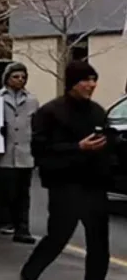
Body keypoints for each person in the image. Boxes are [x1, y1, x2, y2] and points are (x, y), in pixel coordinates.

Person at [21, 61, 112, 280]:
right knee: (58, 237)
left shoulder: (97, 111)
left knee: (99, 242)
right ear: (72, 83)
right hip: (64, 184)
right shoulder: (50, 112)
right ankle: (29, 274)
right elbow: (40, 150)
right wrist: (78, 148)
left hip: (94, 184)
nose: (91, 85)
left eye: (93, 80)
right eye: (85, 80)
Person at [0, 62, 38, 244]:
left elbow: (35, 125)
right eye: (16, 76)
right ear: (7, 78)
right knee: (1, 191)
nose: (20, 80)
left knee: (22, 194)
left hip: (25, 152)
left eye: (23, 77)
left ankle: (22, 228)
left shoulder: (32, 100)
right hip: (4, 152)